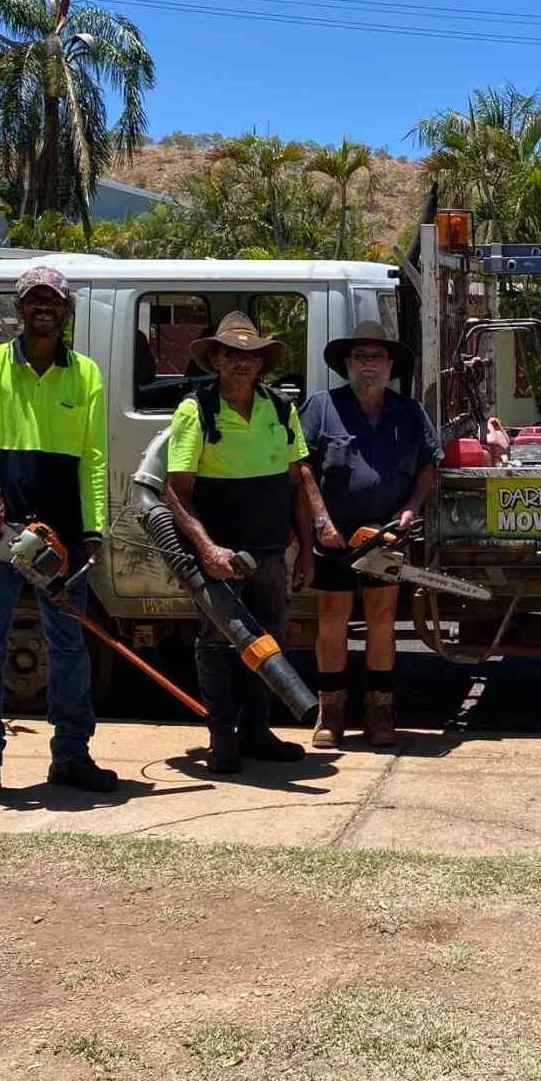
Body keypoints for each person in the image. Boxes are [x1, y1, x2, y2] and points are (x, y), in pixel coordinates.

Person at [0, 264, 114, 808]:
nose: (43, 307)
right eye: (33, 299)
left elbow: (95, 459)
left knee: (69, 647)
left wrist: (94, 530)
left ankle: (72, 755)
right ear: (19, 307)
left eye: (52, 300)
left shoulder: (85, 375)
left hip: (64, 541)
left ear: (65, 310)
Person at [163, 312, 315, 774]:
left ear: (262, 362)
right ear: (215, 359)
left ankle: (258, 732)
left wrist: (306, 550)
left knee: (268, 644)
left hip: (270, 550)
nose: (242, 362)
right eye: (232, 353)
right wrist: (207, 550)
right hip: (219, 557)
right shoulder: (197, 410)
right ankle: (221, 738)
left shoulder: (281, 408)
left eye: (250, 355)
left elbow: (298, 481)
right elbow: (176, 489)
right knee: (216, 645)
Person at [300, 320, 442, 748]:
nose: (368, 365)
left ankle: (380, 715)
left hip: (384, 538)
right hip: (334, 540)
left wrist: (409, 510)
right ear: (347, 363)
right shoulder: (322, 406)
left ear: (390, 364)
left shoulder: (410, 412)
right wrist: (320, 519)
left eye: (376, 356)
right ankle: (331, 716)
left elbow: (428, 466)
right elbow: (302, 466)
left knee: (381, 623)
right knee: (331, 623)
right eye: (360, 356)